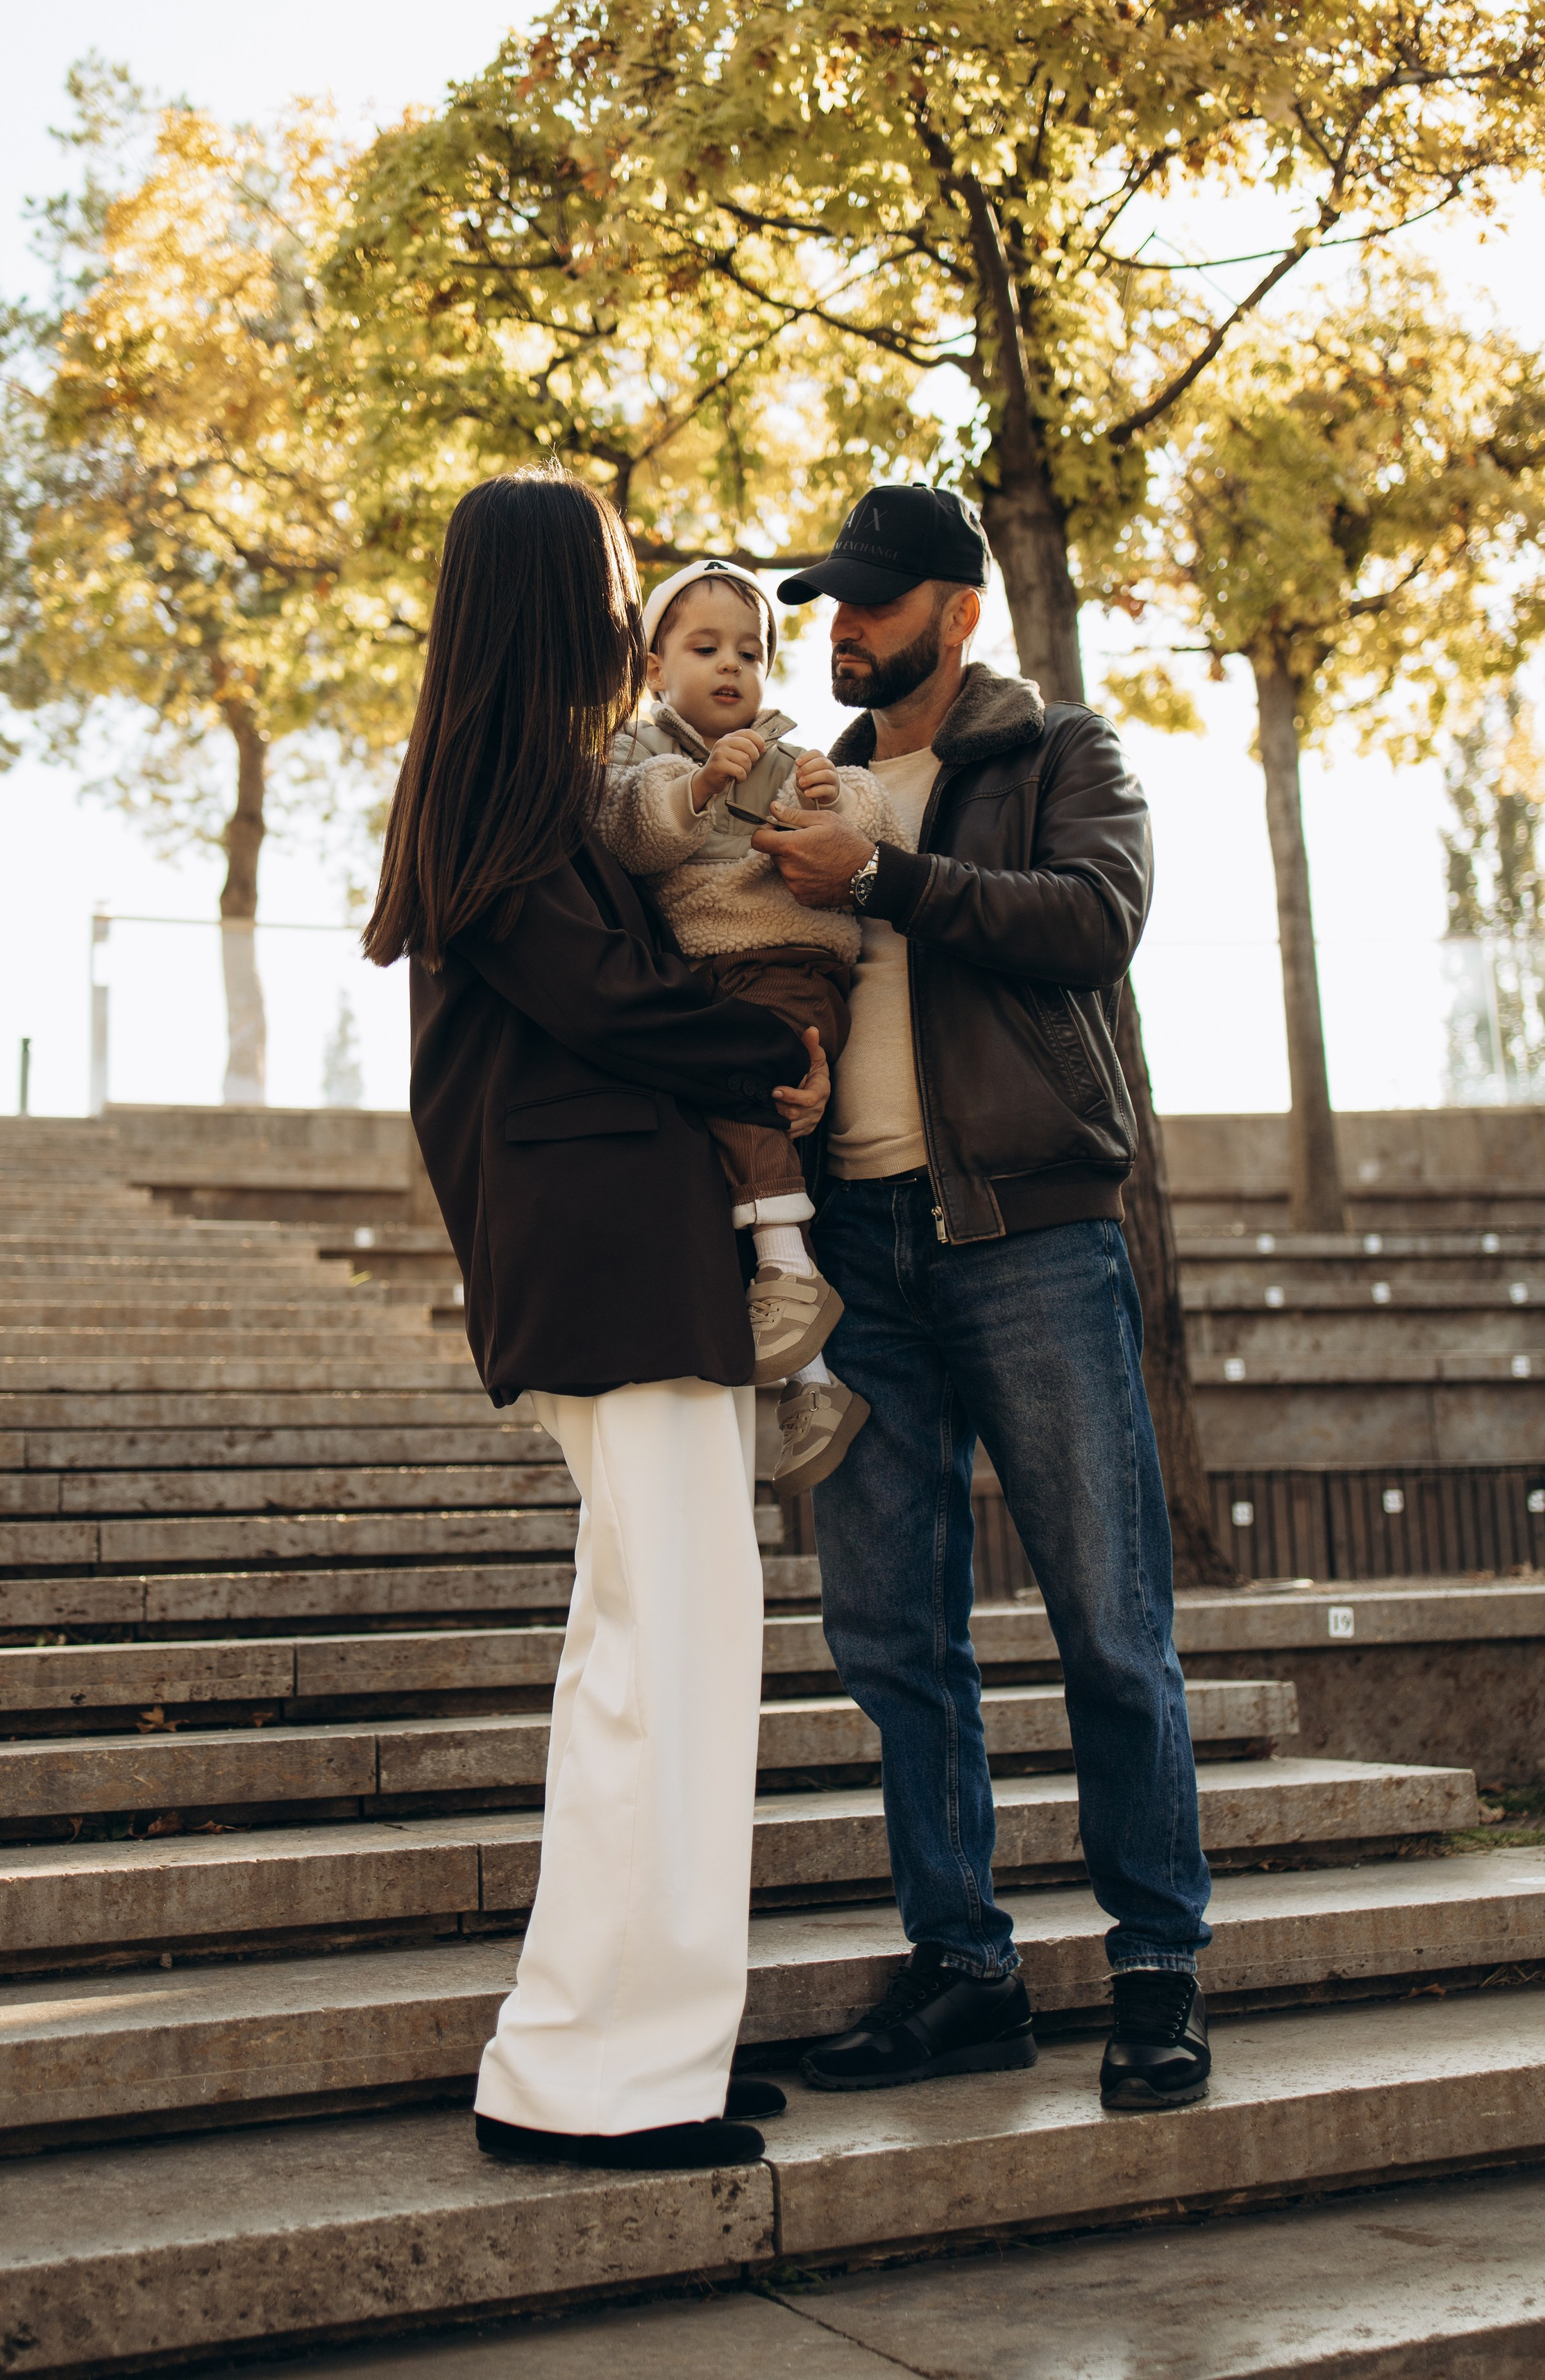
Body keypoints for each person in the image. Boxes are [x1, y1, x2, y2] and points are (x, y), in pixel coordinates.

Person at [363, 467, 830, 2173]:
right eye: (616, 576)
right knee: (667, 1661)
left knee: (660, 1656)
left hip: (635, 1252)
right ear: (555, 590)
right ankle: (592, 2076)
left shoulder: (520, 776)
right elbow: (598, 997)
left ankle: (647, 2049)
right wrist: (765, 1061)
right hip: (605, 1254)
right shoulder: (494, 774)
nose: (630, 603)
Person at [750, 482, 1214, 2114]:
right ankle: (963, 1968)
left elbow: (1092, 926)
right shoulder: (808, 779)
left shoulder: (1055, 755)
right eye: (825, 605)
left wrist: (877, 878)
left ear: (955, 610)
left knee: (1107, 1618)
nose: (838, 630)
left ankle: (1154, 1970)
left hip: (1026, 1232)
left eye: (869, 602)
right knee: (889, 1636)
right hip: (855, 1249)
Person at [597, 556, 900, 1492]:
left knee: (738, 1091)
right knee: (736, 1121)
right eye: (705, 648)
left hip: (789, 962)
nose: (732, 667)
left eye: (750, 652)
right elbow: (625, 827)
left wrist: (826, 797)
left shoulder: (791, 751)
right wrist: (693, 790)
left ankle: (788, 1273)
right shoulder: (643, 753)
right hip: (717, 974)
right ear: (655, 669)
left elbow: (870, 812)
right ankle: (811, 1379)